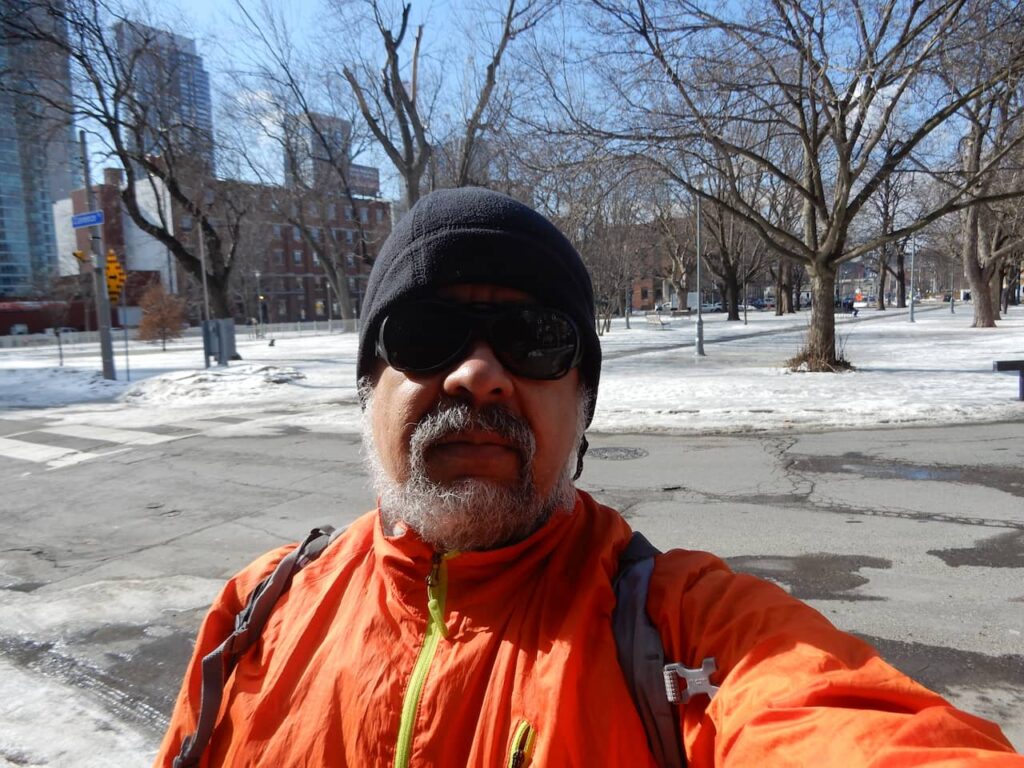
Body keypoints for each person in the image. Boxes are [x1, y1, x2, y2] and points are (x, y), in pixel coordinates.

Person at [155, 188, 1021, 767]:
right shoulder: (258, 612)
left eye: (536, 340)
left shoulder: (679, 631)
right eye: (425, 333)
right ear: (366, 388)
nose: (477, 375)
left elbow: (843, 724)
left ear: (583, 408)